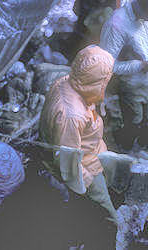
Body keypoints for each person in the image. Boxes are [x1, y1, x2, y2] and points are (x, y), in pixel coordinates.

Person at [39, 45, 118, 223]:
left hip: (93, 150)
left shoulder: (67, 80)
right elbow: (68, 160)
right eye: (105, 79)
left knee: (109, 183)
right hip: (86, 166)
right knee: (105, 208)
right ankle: (110, 231)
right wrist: (89, 183)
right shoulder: (71, 116)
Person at [100, 0, 148, 150]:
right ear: (143, 9)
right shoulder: (117, 25)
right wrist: (140, 66)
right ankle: (124, 149)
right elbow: (107, 65)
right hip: (130, 83)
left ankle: (146, 146)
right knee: (133, 125)